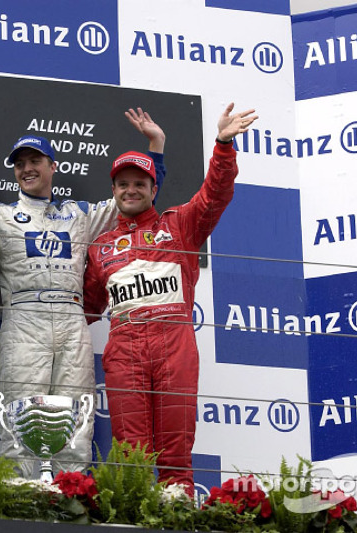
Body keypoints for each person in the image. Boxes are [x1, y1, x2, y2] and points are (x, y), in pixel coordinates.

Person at [0, 109, 166, 477]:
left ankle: (71, 497)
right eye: (20, 164)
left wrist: (155, 146)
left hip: (71, 318)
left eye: (35, 161)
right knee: (21, 412)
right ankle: (23, 502)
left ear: (53, 166)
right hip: (23, 319)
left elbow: (136, 201)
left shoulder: (79, 214)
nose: (27, 169)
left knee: (77, 415)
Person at [82, 103, 258, 493]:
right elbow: (82, 308)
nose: (131, 190)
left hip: (173, 343)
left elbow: (215, 194)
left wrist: (224, 145)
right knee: (130, 454)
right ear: (113, 191)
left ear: (153, 189)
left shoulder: (179, 225)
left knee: (176, 449)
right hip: (125, 347)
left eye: (139, 184)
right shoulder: (100, 247)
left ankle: (177, 508)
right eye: (123, 184)